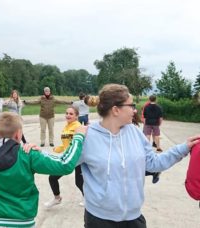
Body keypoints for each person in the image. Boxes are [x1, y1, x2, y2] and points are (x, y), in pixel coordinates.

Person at [78, 83, 200, 228]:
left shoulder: (135, 133)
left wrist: (183, 148)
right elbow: (64, 164)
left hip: (133, 217)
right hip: (98, 219)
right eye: (131, 105)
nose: (135, 110)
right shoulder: (87, 136)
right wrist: (73, 142)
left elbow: (153, 163)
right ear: (116, 110)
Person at [45, 106, 84, 208]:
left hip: (78, 158)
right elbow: (66, 143)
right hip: (68, 156)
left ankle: (88, 199)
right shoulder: (66, 127)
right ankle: (57, 198)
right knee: (52, 177)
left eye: (71, 114)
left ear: (76, 116)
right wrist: (58, 149)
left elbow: (79, 143)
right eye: (66, 113)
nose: (68, 115)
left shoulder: (78, 127)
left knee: (79, 182)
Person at [132, 110, 161, 184]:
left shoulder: (132, 129)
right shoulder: (133, 126)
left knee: (133, 167)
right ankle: (153, 171)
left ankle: (153, 171)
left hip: (135, 150)